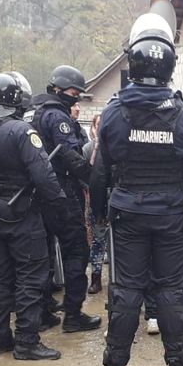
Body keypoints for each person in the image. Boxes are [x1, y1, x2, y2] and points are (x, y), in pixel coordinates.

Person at [98, 11, 183, 366]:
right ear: (169, 66)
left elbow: (100, 171)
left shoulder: (113, 112)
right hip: (172, 214)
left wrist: (98, 215)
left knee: (126, 291)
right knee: (170, 291)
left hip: (127, 212)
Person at [0, 73, 64, 360]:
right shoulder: (21, 131)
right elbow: (43, 175)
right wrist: (59, 205)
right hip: (20, 211)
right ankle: (26, 342)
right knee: (30, 276)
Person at [30, 65, 100, 333]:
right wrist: (94, 179)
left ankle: (43, 311)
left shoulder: (37, 112)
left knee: (44, 254)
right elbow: (70, 156)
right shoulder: (58, 116)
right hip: (62, 191)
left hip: (40, 191)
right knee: (76, 251)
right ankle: (72, 314)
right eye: (73, 93)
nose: (76, 98)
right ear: (58, 88)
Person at [83, 114, 106, 295]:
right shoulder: (88, 148)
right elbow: (82, 175)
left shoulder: (117, 147)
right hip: (95, 200)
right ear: (93, 127)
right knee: (97, 241)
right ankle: (95, 279)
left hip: (115, 200)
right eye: (98, 124)